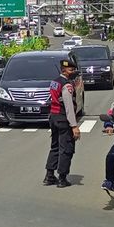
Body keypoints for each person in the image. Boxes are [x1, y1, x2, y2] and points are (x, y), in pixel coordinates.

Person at [44, 58, 81, 188]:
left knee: (55, 146)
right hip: (63, 118)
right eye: (71, 70)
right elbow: (69, 106)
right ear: (64, 70)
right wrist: (74, 126)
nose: (73, 72)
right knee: (66, 148)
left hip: (53, 117)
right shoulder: (67, 85)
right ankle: (62, 178)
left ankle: (49, 176)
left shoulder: (54, 82)